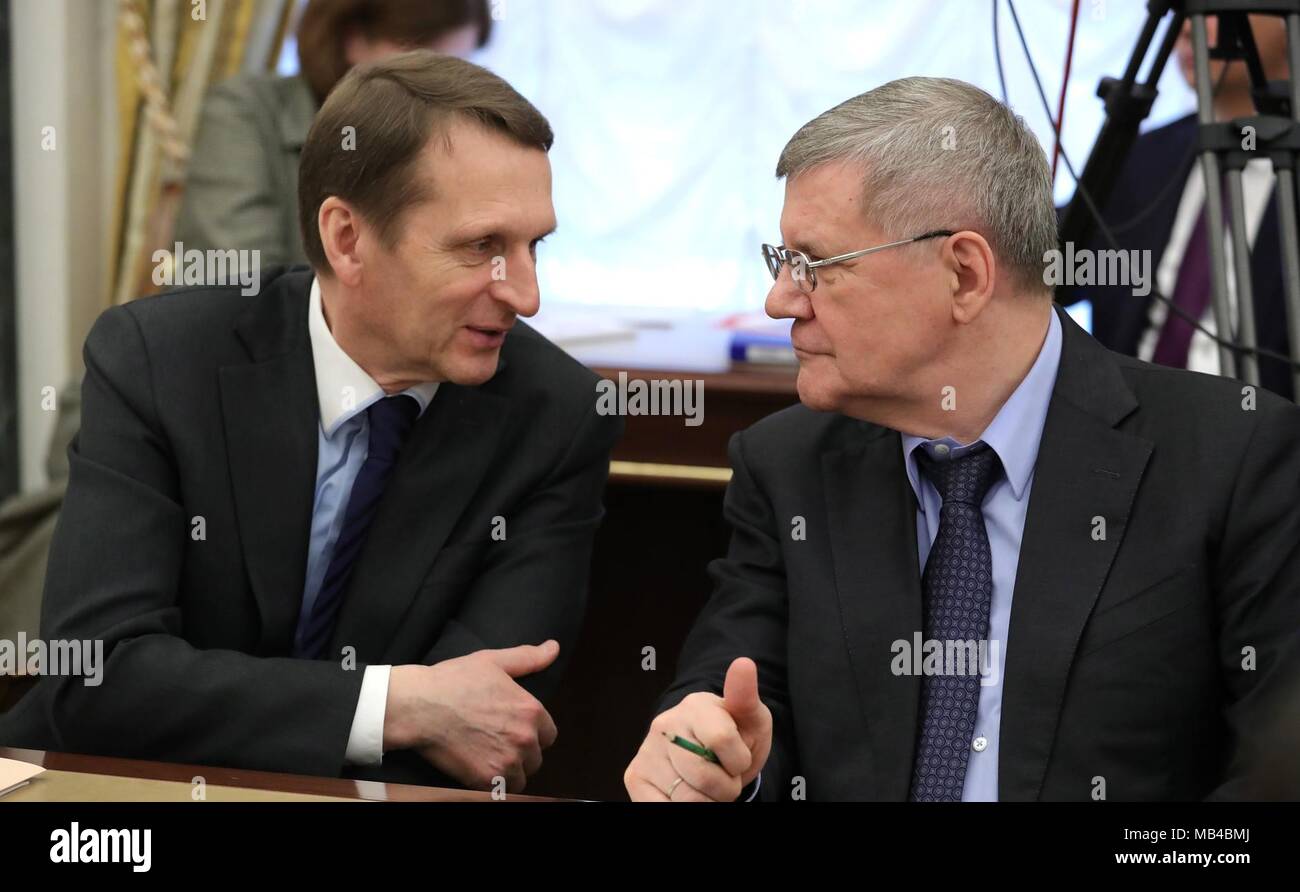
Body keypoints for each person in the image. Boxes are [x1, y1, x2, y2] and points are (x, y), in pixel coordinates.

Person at [624, 77, 1300, 801]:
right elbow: (733, 703)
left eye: (814, 265)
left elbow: (1272, 782)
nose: (780, 300)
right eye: (780, 261)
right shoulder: (789, 464)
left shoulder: (1232, 458)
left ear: (965, 273)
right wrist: (709, 758)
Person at [0, 51, 622, 793]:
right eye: (482, 247)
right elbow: (97, 677)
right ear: (346, 238)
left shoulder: (555, 416)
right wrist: (390, 704)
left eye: (534, 246)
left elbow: (485, 727)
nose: (526, 294)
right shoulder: (160, 362)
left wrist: (373, 719)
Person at [1060, 13, 1295, 400]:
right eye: (1181, 9)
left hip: (1262, 443)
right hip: (1127, 432)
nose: (1188, 27)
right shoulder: (1144, 157)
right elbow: (1053, 265)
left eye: (1217, 6)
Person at [173, 0, 493, 266]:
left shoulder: (435, 141)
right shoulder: (243, 113)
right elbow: (238, 283)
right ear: (353, 39)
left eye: (455, 68)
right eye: (421, 61)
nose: (439, 89)